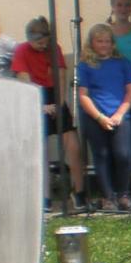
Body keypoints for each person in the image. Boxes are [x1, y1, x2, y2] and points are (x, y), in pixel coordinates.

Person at [12, 16, 90, 212]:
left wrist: (59, 101)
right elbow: (24, 80)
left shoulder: (53, 48)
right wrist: (39, 105)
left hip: (53, 94)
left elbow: (61, 75)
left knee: (72, 145)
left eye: (45, 42)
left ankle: (79, 193)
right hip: (34, 93)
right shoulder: (21, 51)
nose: (42, 46)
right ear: (29, 39)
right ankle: (45, 198)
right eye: (38, 43)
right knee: (42, 150)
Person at [76, 23, 131, 211]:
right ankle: (107, 197)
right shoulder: (85, 65)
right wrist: (100, 117)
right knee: (101, 155)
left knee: (123, 155)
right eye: (99, 41)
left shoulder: (123, 63)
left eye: (107, 41)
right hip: (95, 116)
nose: (103, 45)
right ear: (92, 43)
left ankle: (123, 194)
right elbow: (83, 95)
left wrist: (119, 114)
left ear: (112, 43)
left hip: (120, 116)